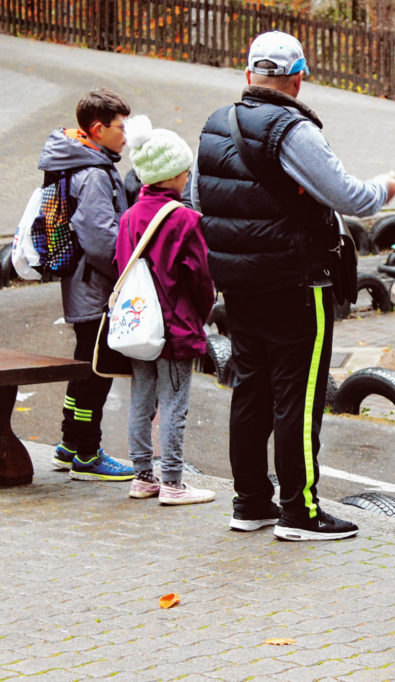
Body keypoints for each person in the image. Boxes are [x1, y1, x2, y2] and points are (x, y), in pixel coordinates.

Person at [194, 31, 395, 539]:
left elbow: (201, 204)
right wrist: (385, 188)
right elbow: (349, 196)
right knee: (299, 398)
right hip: (296, 284)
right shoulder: (290, 128)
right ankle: (300, 512)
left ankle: (249, 504)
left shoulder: (215, 126)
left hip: (240, 288)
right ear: (298, 78)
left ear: (248, 76)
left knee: (250, 390)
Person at [115, 115, 216, 505]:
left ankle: (142, 476)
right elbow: (201, 279)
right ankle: (173, 482)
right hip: (174, 327)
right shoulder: (186, 220)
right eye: (185, 171)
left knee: (141, 399)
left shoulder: (128, 218)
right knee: (174, 403)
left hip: (138, 325)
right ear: (174, 176)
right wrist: (199, 316)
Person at [44, 88, 134, 481]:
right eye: (120, 127)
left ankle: (69, 444)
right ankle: (87, 452)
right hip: (96, 288)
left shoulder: (79, 162)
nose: (125, 135)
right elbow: (100, 238)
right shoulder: (94, 173)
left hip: (82, 284)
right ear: (97, 129)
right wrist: (129, 272)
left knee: (84, 367)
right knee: (95, 373)